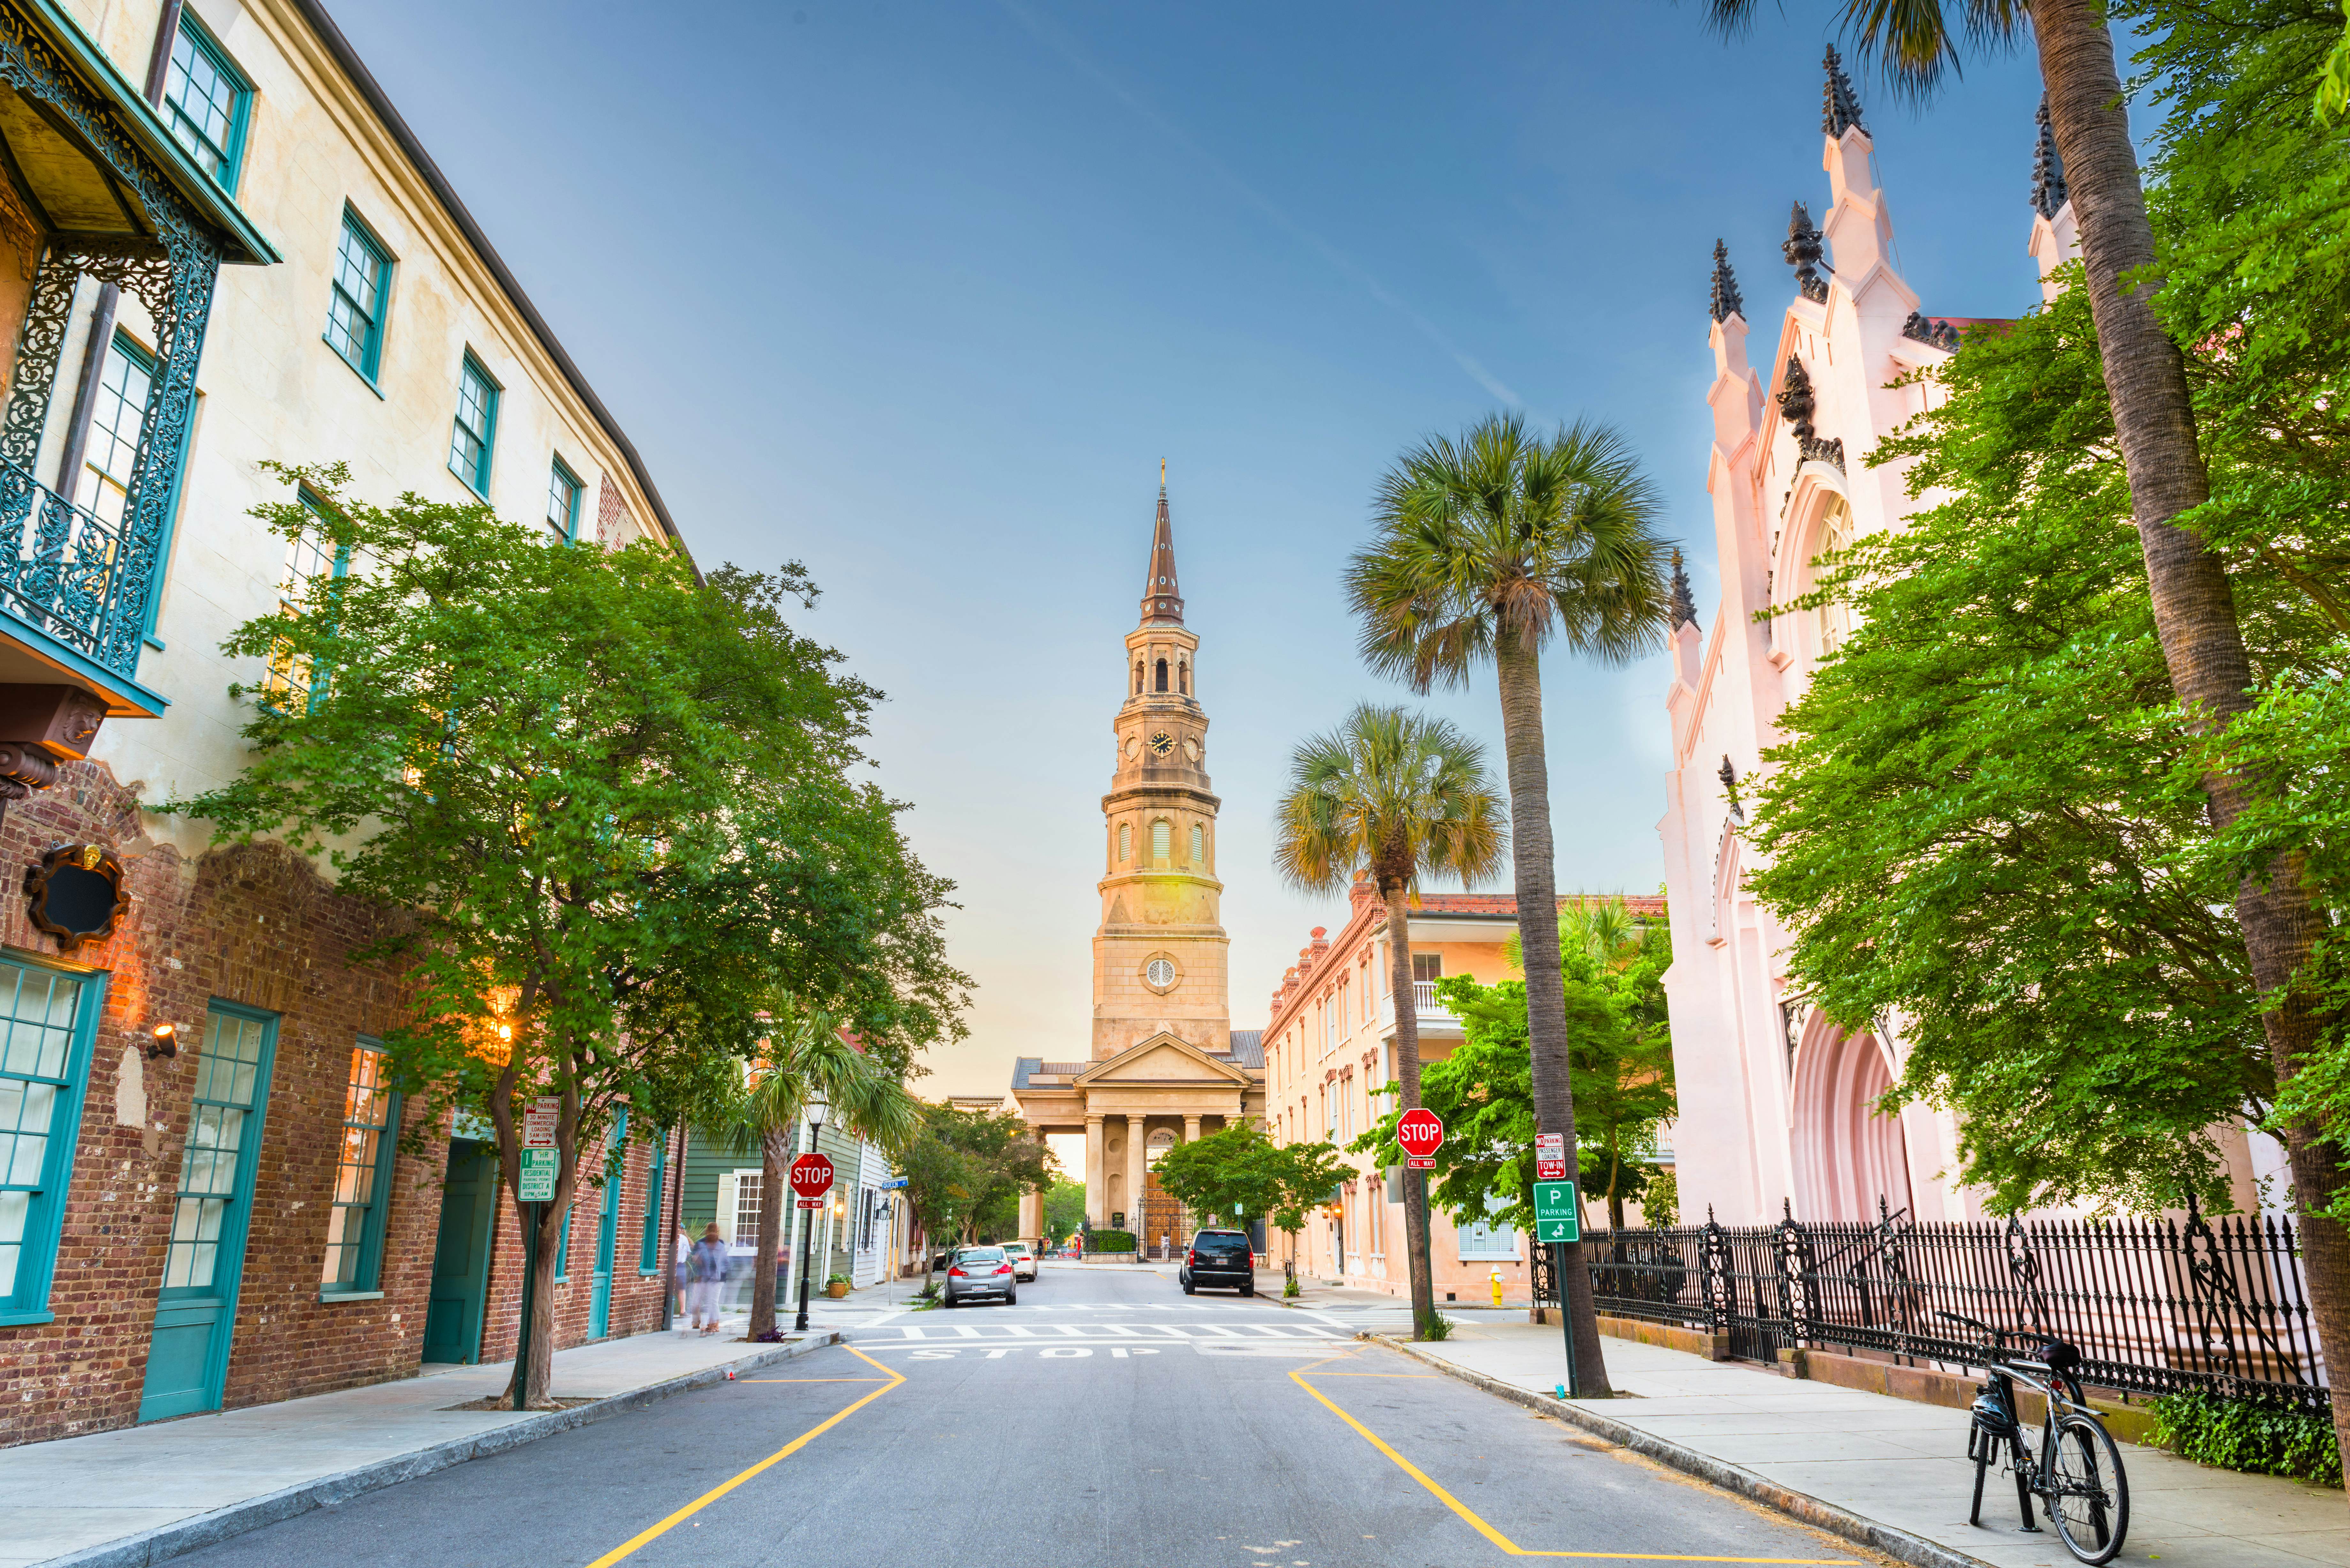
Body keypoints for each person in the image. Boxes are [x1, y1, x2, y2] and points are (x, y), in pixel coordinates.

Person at [686, 1223, 728, 1336]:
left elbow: (724, 1263)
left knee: (712, 1301)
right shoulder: (701, 1244)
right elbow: (695, 1260)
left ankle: (714, 1325)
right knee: (698, 1301)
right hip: (703, 1277)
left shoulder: (721, 1245)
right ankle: (697, 1322)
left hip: (716, 1279)